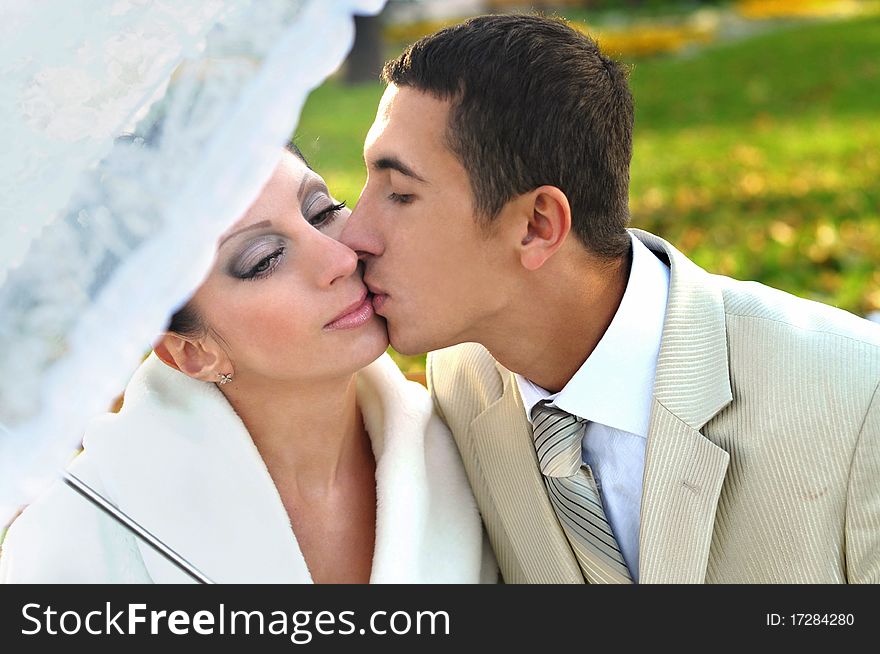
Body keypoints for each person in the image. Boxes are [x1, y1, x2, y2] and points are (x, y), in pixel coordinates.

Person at [339, 14, 880, 583]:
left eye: (400, 193)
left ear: (537, 226)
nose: (354, 234)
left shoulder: (857, 397)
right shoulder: (462, 383)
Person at [0, 143, 496, 584]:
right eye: (264, 259)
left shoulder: (473, 445)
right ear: (191, 353)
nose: (340, 258)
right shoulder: (80, 534)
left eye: (322, 211)